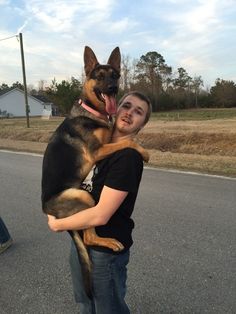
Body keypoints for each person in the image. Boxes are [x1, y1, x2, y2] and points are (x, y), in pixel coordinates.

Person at [47, 91, 152, 314]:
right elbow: (62, 174)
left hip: (105, 251)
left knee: (108, 309)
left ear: (142, 124)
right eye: (127, 106)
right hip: (80, 241)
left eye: (138, 112)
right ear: (114, 108)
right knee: (86, 303)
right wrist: (52, 205)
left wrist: (57, 224)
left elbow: (101, 214)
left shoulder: (128, 158)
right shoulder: (92, 144)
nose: (130, 113)